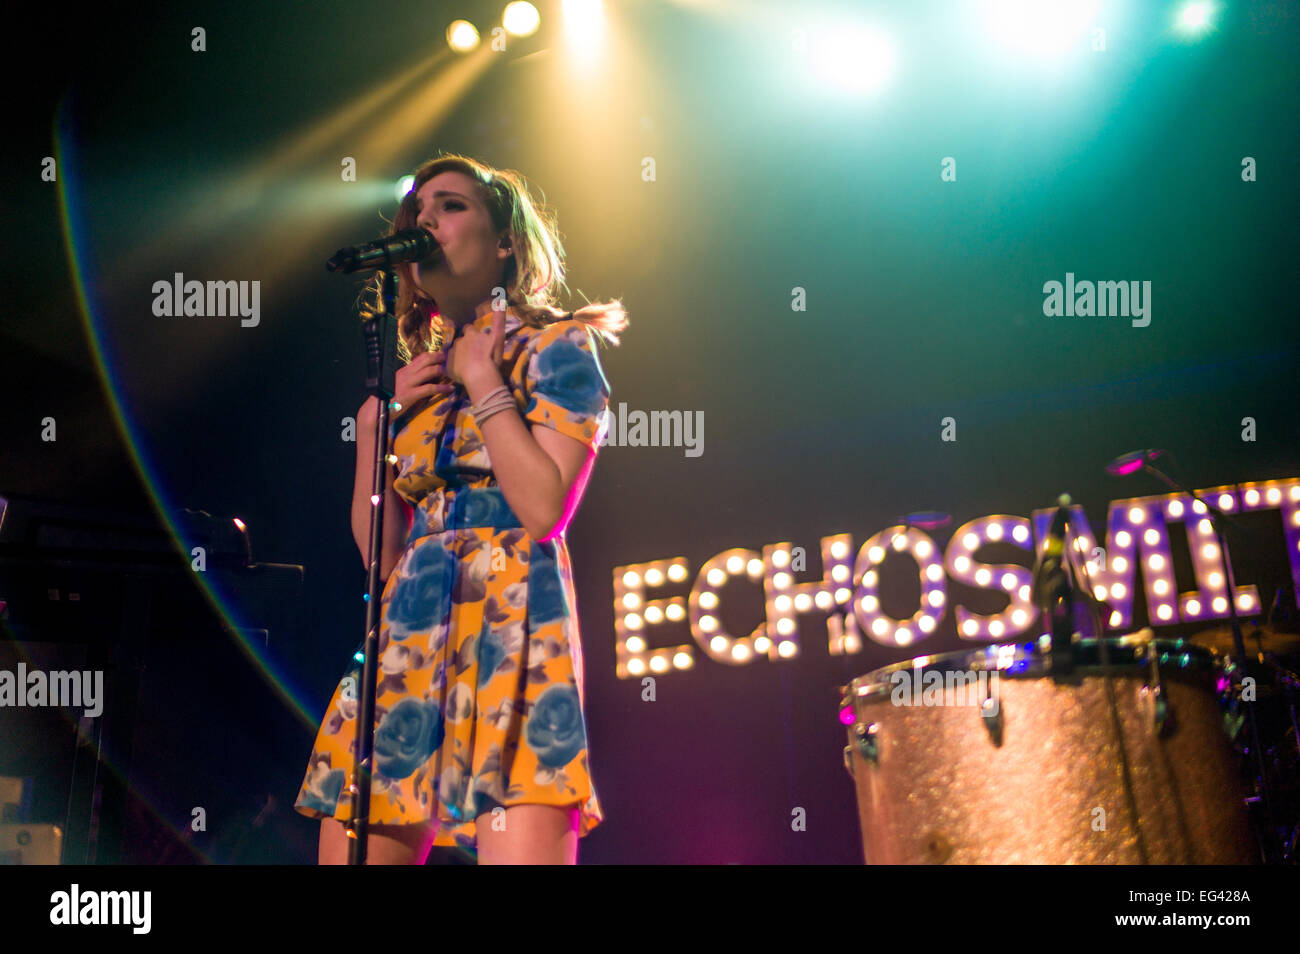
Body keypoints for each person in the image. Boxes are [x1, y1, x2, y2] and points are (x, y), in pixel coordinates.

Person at [294, 153, 627, 864]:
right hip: (408, 634)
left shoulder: (558, 346)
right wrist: (371, 432)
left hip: (514, 625)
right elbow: (382, 561)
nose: (424, 221)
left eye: (450, 206)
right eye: (417, 209)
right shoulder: (415, 381)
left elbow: (542, 510)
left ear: (504, 240)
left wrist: (483, 383)